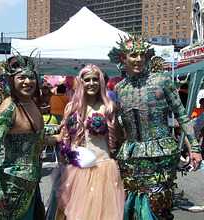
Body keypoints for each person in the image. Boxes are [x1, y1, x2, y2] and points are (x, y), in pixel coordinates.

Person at [108, 34, 202, 219]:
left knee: (158, 204)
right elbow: (122, 125)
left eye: (142, 55)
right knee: (133, 204)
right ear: (122, 58)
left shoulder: (162, 80)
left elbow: (181, 115)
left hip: (160, 155)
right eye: (134, 55)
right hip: (131, 157)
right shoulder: (120, 88)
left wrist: (195, 148)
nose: (139, 59)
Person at [46, 64, 126, 220]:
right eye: (87, 79)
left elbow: (121, 136)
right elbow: (63, 137)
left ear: (101, 82)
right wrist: (40, 140)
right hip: (77, 171)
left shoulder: (110, 107)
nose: (91, 83)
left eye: (95, 79)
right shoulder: (71, 107)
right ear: (80, 82)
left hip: (103, 170)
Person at [0, 55, 46, 219]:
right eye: (22, 77)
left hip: (33, 183)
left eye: (31, 77)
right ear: (11, 80)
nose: (28, 82)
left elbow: (35, 139)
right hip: (13, 185)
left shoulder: (32, 102)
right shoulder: (8, 108)